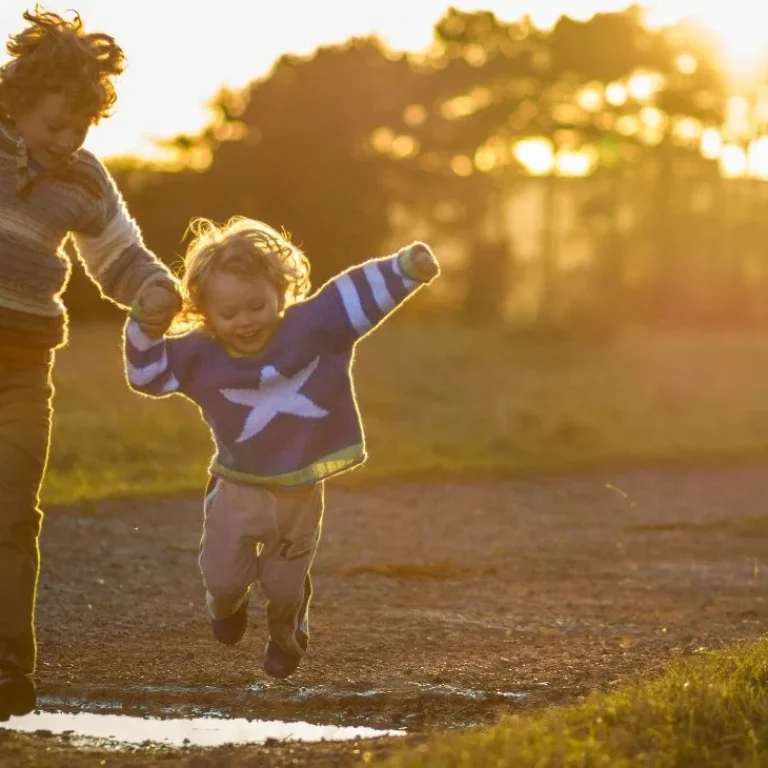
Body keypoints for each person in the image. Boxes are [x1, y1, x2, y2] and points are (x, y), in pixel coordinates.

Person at [123, 216, 439, 678]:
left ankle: (288, 636)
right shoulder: (200, 353)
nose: (245, 321)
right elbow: (145, 376)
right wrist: (145, 326)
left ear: (280, 293)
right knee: (224, 577)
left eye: (257, 306)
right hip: (236, 486)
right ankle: (226, 607)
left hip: (300, 490)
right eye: (228, 314)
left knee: (285, 586)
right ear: (207, 314)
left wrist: (405, 268)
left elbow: (351, 297)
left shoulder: (312, 327)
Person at [0, 7, 180, 719]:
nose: (64, 139)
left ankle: (8, 667)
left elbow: (119, 256)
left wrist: (155, 289)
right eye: (52, 123)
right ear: (15, 99)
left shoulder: (83, 178)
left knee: (12, 513)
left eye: (78, 127)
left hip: (22, 370)